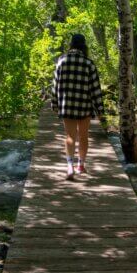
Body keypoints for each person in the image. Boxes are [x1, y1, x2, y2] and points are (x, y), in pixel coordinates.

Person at [51, 33, 104, 180]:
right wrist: (100, 110)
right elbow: (95, 89)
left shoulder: (61, 61)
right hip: (84, 106)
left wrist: (54, 104)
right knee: (83, 136)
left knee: (70, 136)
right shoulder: (89, 63)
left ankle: (69, 166)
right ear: (84, 46)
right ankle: (80, 165)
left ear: (71, 45)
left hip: (67, 105)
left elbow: (55, 86)